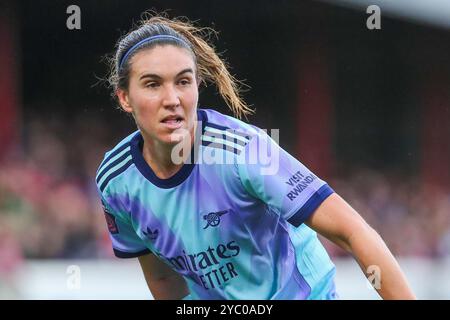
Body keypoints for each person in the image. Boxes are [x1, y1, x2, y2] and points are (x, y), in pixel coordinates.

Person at [95, 13, 415, 300]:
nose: (173, 98)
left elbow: (353, 231)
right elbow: (163, 278)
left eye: (183, 81)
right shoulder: (115, 182)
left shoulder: (243, 151)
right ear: (125, 98)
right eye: (152, 84)